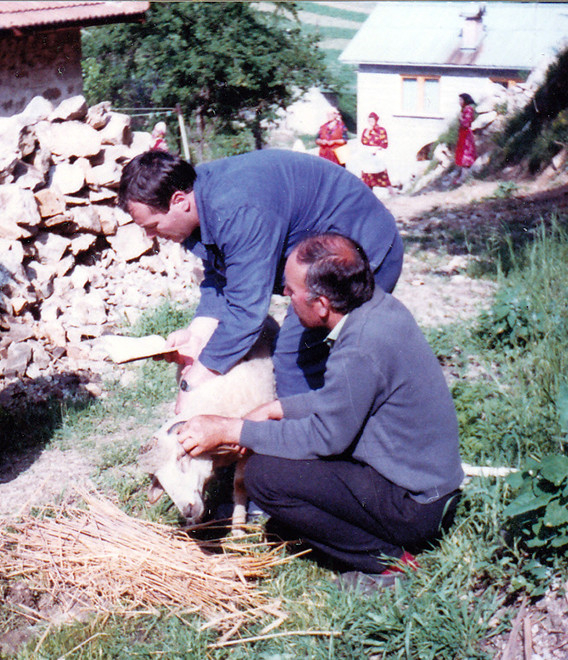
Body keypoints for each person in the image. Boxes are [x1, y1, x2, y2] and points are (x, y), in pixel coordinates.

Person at [177, 234, 463, 584]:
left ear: (322, 304)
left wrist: (232, 430)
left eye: (292, 291)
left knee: (266, 477)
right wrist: (279, 408)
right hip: (432, 487)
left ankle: (388, 562)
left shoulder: (357, 349)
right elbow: (349, 398)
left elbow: (325, 437)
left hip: (415, 507)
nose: (286, 296)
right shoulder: (380, 309)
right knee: (285, 468)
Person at [117, 149, 403, 412]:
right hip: (316, 259)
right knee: (309, 358)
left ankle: (312, 455)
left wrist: (192, 383)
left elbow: (246, 311)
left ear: (179, 201)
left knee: (297, 360)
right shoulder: (198, 202)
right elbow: (221, 276)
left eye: (153, 227)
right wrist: (197, 334)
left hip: (362, 250)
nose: (151, 237)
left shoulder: (236, 209)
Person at [359, 112, 393, 193]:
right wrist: (368, 131)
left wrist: (377, 149)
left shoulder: (381, 130)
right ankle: (368, 193)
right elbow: (363, 141)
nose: (371, 122)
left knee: (382, 174)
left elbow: (385, 143)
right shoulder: (366, 130)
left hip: (377, 154)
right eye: (369, 120)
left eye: (372, 120)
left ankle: (391, 192)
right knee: (367, 176)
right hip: (368, 155)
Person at [454, 93, 477, 184]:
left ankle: (465, 177)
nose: (459, 102)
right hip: (463, 133)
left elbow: (466, 123)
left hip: (466, 134)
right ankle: (463, 176)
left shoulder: (468, 109)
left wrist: (460, 118)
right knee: (463, 152)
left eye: (461, 100)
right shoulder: (465, 109)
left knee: (466, 153)